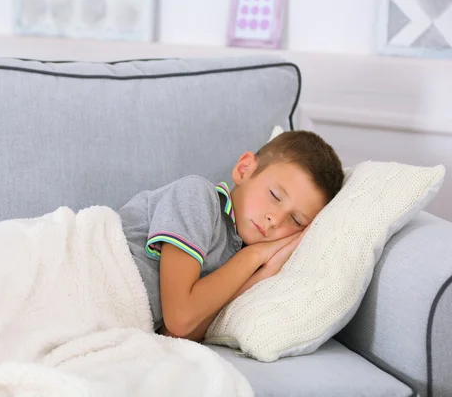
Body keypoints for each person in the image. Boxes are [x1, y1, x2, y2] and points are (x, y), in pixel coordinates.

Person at [118, 130, 344, 342]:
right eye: (275, 195)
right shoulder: (197, 196)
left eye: (296, 220)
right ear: (244, 169)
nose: (275, 219)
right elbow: (180, 318)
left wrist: (260, 276)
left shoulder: (233, 261)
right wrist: (254, 255)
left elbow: (173, 334)